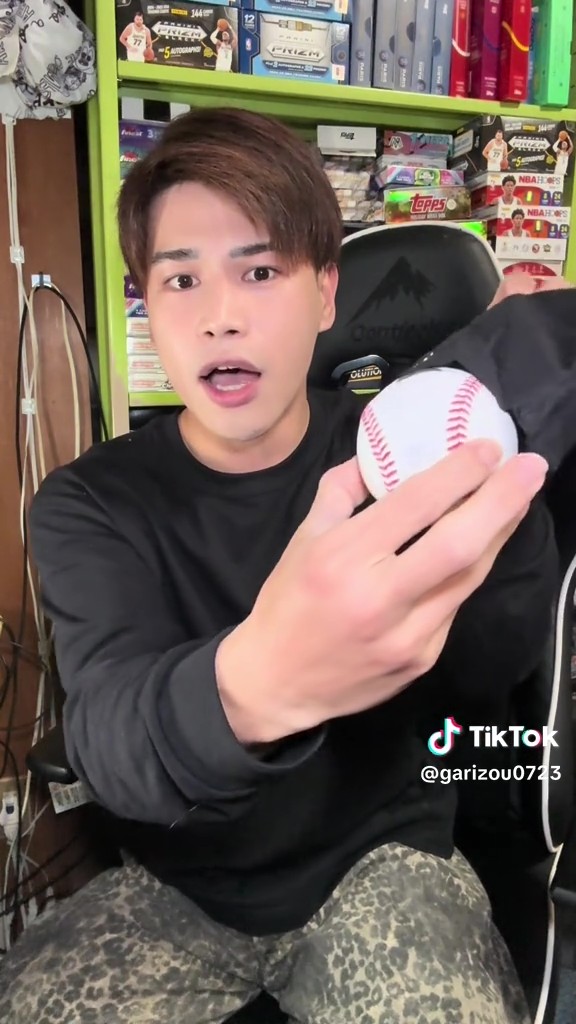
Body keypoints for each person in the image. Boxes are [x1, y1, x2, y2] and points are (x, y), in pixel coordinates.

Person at [0, 108, 568, 1024]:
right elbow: (107, 737)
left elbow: (489, 671)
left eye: (260, 271)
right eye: (181, 279)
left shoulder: (399, 454)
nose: (221, 316)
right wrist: (255, 684)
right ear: (146, 303)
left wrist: (497, 485)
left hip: (385, 864)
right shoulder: (88, 503)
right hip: (180, 886)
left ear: (325, 295)